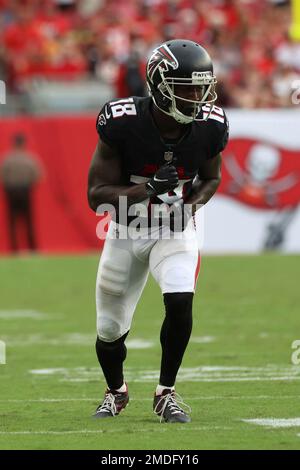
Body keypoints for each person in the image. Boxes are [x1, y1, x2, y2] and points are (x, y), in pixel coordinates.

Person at [87, 39, 229, 423]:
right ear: (160, 85)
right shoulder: (123, 122)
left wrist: (190, 205)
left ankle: (166, 392)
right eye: (187, 88)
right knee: (109, 328)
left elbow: (213, 177)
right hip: (124, 231)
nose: (198, 96)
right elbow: (96, 196)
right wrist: (146, 189)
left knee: (180, 300)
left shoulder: (209, 126)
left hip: (173, 230)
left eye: (202, 87)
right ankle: (116, 391)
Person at [0, 133, 42, 252]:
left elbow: (2, 176)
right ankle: (32, 248)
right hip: (25, 190)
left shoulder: (7, 159)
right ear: (23, 144)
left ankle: (14, 248)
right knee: (28, 222)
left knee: (12, 222)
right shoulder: (29, 159)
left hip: (11, 191)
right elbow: (38, 176)